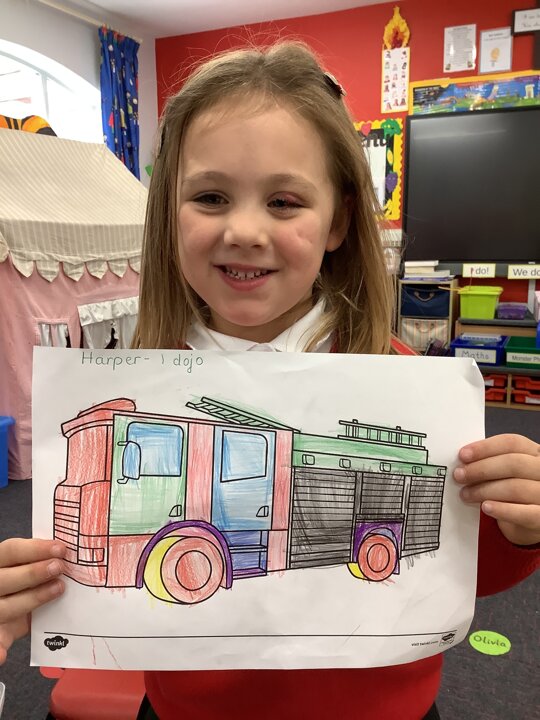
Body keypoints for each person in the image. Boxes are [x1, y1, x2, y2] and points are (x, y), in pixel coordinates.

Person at [0, 41, 539, 720]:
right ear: (170, 215)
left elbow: (459, 572)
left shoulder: (407, 383)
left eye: (284, 202)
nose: (245, 230)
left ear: (338, 221)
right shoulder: (144, 375)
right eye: (210, 197)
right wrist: (33, 579)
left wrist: (520, 525)